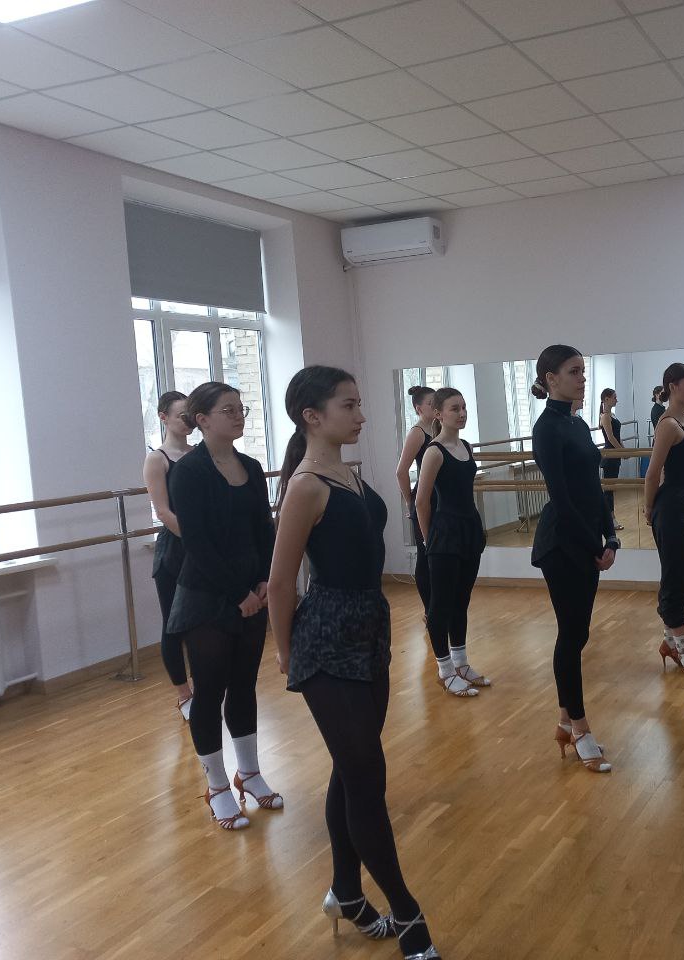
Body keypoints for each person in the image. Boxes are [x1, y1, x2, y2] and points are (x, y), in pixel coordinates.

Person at [268, 366, 441, 960]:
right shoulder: (306, 486)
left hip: (368, 631)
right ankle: (408, 912)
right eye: (349, 405)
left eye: (359, 403)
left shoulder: (346, 472)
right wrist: (287, 652)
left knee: (351, 769)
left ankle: (345, 892)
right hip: (327, 638)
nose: (361, 415)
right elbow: (281, 581)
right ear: (312, 416)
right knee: (366, 777)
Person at [167, 382, 280, 832]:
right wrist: (238, 594)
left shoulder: (250, 467)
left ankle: (248, 772)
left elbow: (263, 528)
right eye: (228, 410)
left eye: (240, 409)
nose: (238, 416)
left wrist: (265, 579)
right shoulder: (188, 472)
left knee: (244, 685)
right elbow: (197, 542)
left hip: (252, 591)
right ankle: (216, 785)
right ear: (202, 420)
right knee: (209, 691)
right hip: (207, 597)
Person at [530, 345, 619, 773]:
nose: (583, 378)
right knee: (570, 635)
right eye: (574, 371)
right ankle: (581, 728)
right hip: (562, 545)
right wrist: (594, 544)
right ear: (551, 378)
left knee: (578, 634)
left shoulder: (578, 422)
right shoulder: (546, 428)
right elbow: (562, 498)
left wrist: (611, 536)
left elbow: (593, 485)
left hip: (585, 541)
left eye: (583, 371)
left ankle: (565, 722)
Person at [415, 388, 489, 698]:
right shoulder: (434, 451)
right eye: (454, 408)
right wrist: (428, 540)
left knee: (462, 600)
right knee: (441, 605)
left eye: (464, 407)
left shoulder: (466, 446)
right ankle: (445, 670)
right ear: (438, 414)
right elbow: (421, 500)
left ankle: (461, 664)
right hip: (445, 534)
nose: (461, 413)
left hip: (469, 529)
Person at [643, 363, 684, 677]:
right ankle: (683, 650)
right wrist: (648, 509)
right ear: (672, 387)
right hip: (669, 508)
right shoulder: (668, 424)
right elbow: (653, 473)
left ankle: (669, 644)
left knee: (683, 577)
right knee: (674, 578)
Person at [142, 390, 194, 720]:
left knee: (201, 623)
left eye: (190, 415)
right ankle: (183, 694)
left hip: (199, 547)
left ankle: (203, 686)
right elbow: (162, 511)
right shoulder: (157, 459)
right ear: (163, 417)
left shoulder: (198, 453)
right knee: (173, 625)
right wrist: (196, 541)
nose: (187, 421)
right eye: (180, 415)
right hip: (174, 550)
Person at [394, 386, 435, 616]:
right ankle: (429, 610)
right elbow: (401, 471)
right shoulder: (417, 433)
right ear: (419, 408)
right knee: (425, 552)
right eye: (431, 403)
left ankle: (440, 606)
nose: (435, 406)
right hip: (423, 498)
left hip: (439, 497)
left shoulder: (438, 428)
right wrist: (410, 501)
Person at [598, 388, 626, 531]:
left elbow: (618, 436)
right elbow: (610, 437)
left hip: (615, 454)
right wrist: (621, 451)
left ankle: (608, 518)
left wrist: (624, 450)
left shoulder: (612, 415)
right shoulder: (605, 416)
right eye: (614, 397)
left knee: (611, 488)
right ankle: (611, 519)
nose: (616, 400)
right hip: (610, 455)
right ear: (606, 399)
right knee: (608, 490)